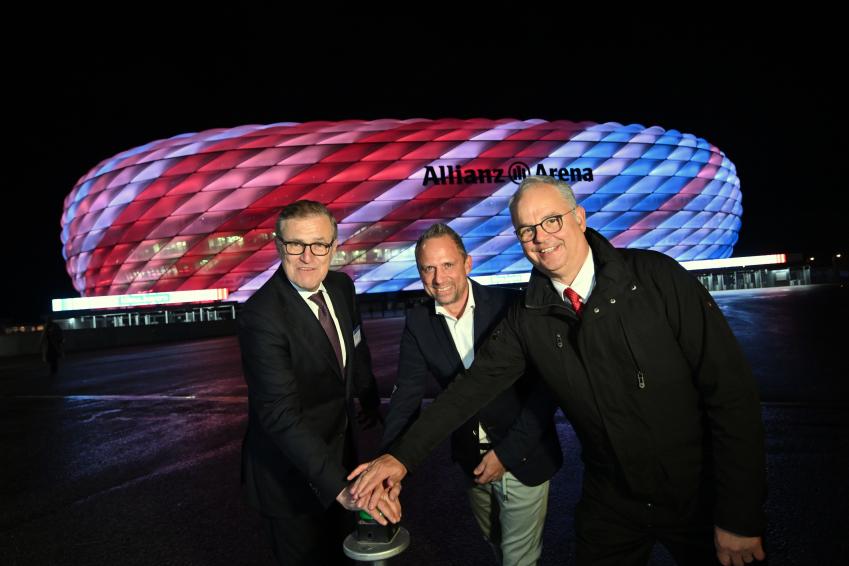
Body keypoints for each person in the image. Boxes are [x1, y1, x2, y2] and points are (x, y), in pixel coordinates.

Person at [350, 176, 767, 566]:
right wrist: (399, 458)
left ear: (579, 218)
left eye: (551, 220)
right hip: (612, 501)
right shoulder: (528, 315)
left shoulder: (657, 279)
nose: (540, 237)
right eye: (526, 230)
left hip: (697, 494)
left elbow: (731, 396)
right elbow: (471, 387)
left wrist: (740, 515)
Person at [382, 223, 562, 565]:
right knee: (493, 541)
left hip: (522, 455)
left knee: (518, 558)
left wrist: (507, 454)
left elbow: (544, 388)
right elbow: (405, 398)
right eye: (428, 268)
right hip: (471, 461)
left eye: (447, 265)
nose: (438, 278)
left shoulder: (511, 306)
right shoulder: (419, 321)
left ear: (467, 263)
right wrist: (390, 464)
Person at [239, 200, 400, 565]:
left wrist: (368, 397)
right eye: (296, 244)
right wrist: (340, 488)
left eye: (319, 245)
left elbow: (356, 347)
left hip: (338, 455)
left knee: (343, 554)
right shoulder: (262, 316)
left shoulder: (342, 287)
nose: (308, 257)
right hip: (288, 477)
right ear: (279, 246)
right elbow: (280, 417)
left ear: (334, 245)